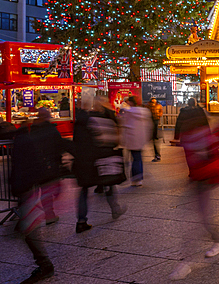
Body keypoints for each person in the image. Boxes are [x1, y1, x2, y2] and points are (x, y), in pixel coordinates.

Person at [170, 97, 219, 280]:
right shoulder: (196, 136)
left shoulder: (199, 136)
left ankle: (186, 262)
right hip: (199, 179)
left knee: (196, 221)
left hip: (205, 179)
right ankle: (218, 241)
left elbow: (209, 154)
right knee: (200, 218)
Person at [11, 108, 67, 283]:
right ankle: (44, 264)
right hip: (35, 181)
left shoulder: (26, 137)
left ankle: (45, 265)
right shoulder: (38, 133)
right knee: (30, 227)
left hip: (29, 184)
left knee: (31, 229)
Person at [73, 96, 126, 233]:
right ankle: (115, 209)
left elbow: (78, 140)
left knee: (84, 189)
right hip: (103, 159)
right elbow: (113, 140)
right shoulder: (107, 120)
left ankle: (81, 220)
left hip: (87, 160)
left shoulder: (86, 120)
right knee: (109, 184)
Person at [119, 96, 152, 186]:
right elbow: (148, 126)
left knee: (135, 158)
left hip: (131, 138)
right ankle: (138, 178)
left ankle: (136, 178)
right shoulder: (144, 112)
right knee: (138, 158)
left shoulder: (127, 112)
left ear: (130, 102)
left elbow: (124, 125)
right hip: (140, 138)